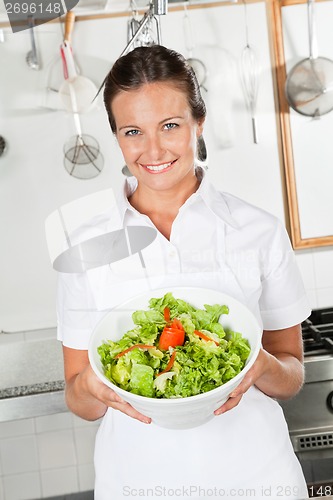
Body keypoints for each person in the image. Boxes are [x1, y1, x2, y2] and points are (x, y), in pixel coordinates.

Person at [56, 45, 311, 500]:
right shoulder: (84, 244)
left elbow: (291, 377)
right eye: (133, 131)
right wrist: (95, 386)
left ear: (199, 123)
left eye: (170, 126)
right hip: (136, 484)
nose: (153, 150)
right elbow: (78, 398)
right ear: (117, 137)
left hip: (258, 480)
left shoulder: (259, 231)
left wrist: (258, 366)